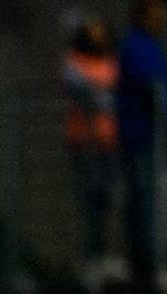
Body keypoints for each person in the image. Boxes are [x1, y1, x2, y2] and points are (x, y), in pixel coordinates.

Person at [118, 0, 167, 294]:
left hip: (152, 137)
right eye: (157, 15)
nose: (162, 20)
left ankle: (156, 264)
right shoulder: (137, 47)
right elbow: (157, 89)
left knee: (153, 201)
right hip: (143, 138)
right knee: (146, 203)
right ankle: (151, 267)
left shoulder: (149, 46)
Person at [62, 17, 121, 271]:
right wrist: (102, 91)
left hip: (109, 142)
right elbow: (83, 91)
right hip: (84, 142)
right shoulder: (74, 61)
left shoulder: (112, 61)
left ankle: (107, 254)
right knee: (90, 199)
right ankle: (91, 256)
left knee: (110, 199)